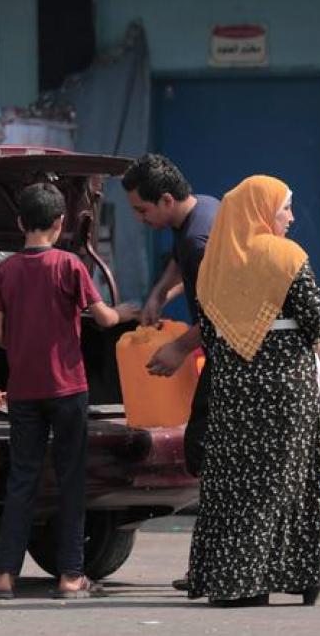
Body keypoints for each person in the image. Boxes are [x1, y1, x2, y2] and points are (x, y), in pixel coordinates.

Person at [0, 183, 133, 600]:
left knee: (22, 480)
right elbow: (102, 319)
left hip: (24, 392)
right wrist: (128, 312)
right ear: (60, 223)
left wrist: (25, 348)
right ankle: (69, 577)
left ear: (19, 223)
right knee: (70, 480)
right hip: (68, 389)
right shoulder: (69, 266)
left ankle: (4, 576)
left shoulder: (6, 271)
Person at [187, 175, 320, 607]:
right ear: (263, 210)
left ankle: (235, 582)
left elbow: (210, 335)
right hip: (286, 386)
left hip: (233, 390)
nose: (289, 217)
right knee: (293, 478)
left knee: (234, 483)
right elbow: (314, 321)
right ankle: (304, 577)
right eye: (284, 207)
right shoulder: (286, 255)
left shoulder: (215, 261)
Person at [120, 153, 218, 592]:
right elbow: (182, 263)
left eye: (142, 210)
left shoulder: (200, 238)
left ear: (164, 199)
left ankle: (215, 565)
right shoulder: (201, 210)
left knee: (205, 454)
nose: (140, 219)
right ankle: (211, 564)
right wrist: (161, 293)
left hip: (229, 357)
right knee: (209, 456)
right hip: (219, 351)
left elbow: (221, 311)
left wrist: (178, 348)